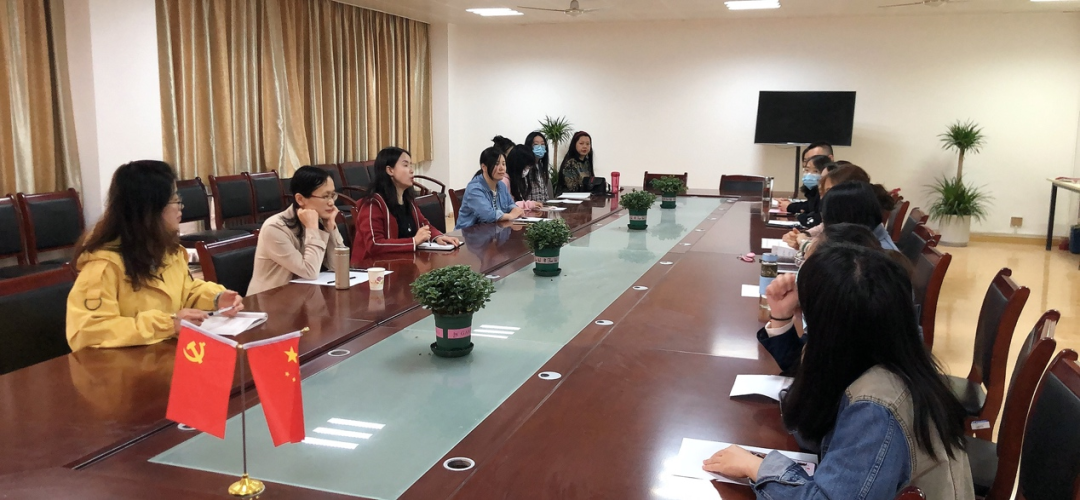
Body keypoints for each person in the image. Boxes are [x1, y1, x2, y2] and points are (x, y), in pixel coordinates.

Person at [709, 243, 973, 500]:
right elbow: (809, 430)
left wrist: (756, 467)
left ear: (831, 328)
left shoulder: (875, 409)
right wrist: (782, 316)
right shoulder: (880, 356)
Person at [66, 160, 244, 351]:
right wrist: (168, 324)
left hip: (165, 354)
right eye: (174, 200)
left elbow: (185, 290)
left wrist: (216, 298)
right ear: (149, 208)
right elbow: (88, 330)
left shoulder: (167, 250)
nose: (180, 206)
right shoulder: (103, 265)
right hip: (125, 364)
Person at [351, 147, 459, 266]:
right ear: (390, 170)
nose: (411, 170)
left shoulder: (408, 200)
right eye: (405, 165)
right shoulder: (373, 204)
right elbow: (374, 244)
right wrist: (413, 241)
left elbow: (424, 224)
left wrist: (437, 236)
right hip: (374, 270)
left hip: (403, 264)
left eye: (411, 165)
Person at [247, 166, 346, 295]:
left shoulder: (320, 219)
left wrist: (330, 227)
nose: (331, 202)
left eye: (333, 195)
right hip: (271, 299)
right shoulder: (275, 228)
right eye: (325, 196)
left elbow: (339, 268)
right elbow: (309, 272)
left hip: (303, 296)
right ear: (300, 199)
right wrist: (312, 229)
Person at [456, 147, 525, 229]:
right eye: (496, 164)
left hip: (493, 231)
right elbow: (488, 215)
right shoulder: (474, 189)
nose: (502, 168)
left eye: (503, 164)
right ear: (484, 167)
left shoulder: (501, 185)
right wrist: (511, 215)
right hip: (470, 234)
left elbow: (510, 204)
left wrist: (515, 209)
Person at [777, 142, 833, 212]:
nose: (811, 162)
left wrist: (791, 207)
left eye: (815, 171)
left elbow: (817, 209)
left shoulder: (837, 182)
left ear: (830, 159)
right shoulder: (812, 186)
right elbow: (810, 205)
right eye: (806, 160)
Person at [503, 145, 546, 209]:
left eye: (529, 168)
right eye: (526, 167)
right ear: (518, 165)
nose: (527, 170)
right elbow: (506, 207)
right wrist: (528, 204)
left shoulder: (518, 180)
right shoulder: (504, 182)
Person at [524, 131, 553, 200]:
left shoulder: (541, 166)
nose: (540, 147)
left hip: (543, 205)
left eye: (542, 144)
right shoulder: (525, 168)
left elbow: (544, 194)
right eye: (536, 144)